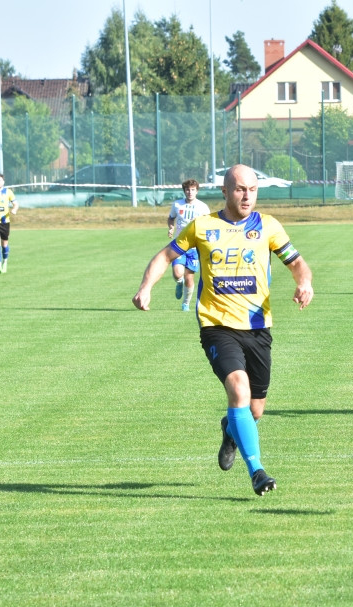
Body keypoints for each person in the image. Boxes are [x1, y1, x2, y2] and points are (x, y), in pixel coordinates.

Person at [132, 164, 314, 496]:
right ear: (226, 192)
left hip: (258, 328)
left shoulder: (268, 226)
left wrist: (304, 283)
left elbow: (297, 262)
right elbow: (164, 256)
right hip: (217, 326)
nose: (247, 196)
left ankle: (230, 429)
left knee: (255, 408)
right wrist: (146, 287)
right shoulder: (203, 227)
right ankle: (257, 471)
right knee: (238, 390)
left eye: (253, 189)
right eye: (240, 189)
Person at [167, 179, 211, 312]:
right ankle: (178, 283)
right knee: (177, 273)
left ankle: (186, 304)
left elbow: (209, 223)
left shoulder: (203, 207)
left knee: (189, 277)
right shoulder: (177, 204)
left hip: (194, 247)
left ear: (196, 191)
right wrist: (171, 228)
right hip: (180, 245)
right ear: (184, 191)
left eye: (192, 190)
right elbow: (171, 217)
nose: (190, 192)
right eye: (187, 190)